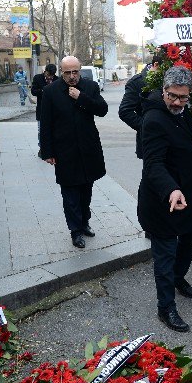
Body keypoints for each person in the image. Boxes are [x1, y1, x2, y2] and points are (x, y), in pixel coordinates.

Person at [138, 66, 192, 332]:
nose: (176, 102)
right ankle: (166, 308)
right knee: (165, 254)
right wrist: (171, 190)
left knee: (190, 239)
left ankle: (178, 277)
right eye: (172, 96)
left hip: (186, 196)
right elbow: (153, 164)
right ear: (163, 91)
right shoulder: (153, 119)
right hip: (162, 199)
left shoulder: (187, 114)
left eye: (182, 97)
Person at [40, 56, 107, 248]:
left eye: (75, 72)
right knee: (70, 194)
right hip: (64, 151)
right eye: (67, 72)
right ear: (61, 72)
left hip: (88, 149)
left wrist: (81, 97)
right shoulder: (50, 91)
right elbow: (45, 124)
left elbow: (102, 110)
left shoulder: (90, 87)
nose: (72, 76)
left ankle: (84, 222)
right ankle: (75, 231)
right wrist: (48, 152)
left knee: (86, 190)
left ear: (80, 70)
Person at [118, 53, 162, 159]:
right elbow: (125, 111)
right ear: (156, 65)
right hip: (150, 141)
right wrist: (145, 125)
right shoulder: (137, 82)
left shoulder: (168, 80)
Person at [31, 63, 58, 156]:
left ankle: (53, 149)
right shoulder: (37, 78)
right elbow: (33, 91)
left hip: (54, 111)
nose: (50, 77)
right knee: (41, 131)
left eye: (52, 75)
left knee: (54, 130)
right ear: (45, 71)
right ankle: (42, 149)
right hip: (41, 111)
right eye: (48, 74)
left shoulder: (57, 79)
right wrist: (43, 91)